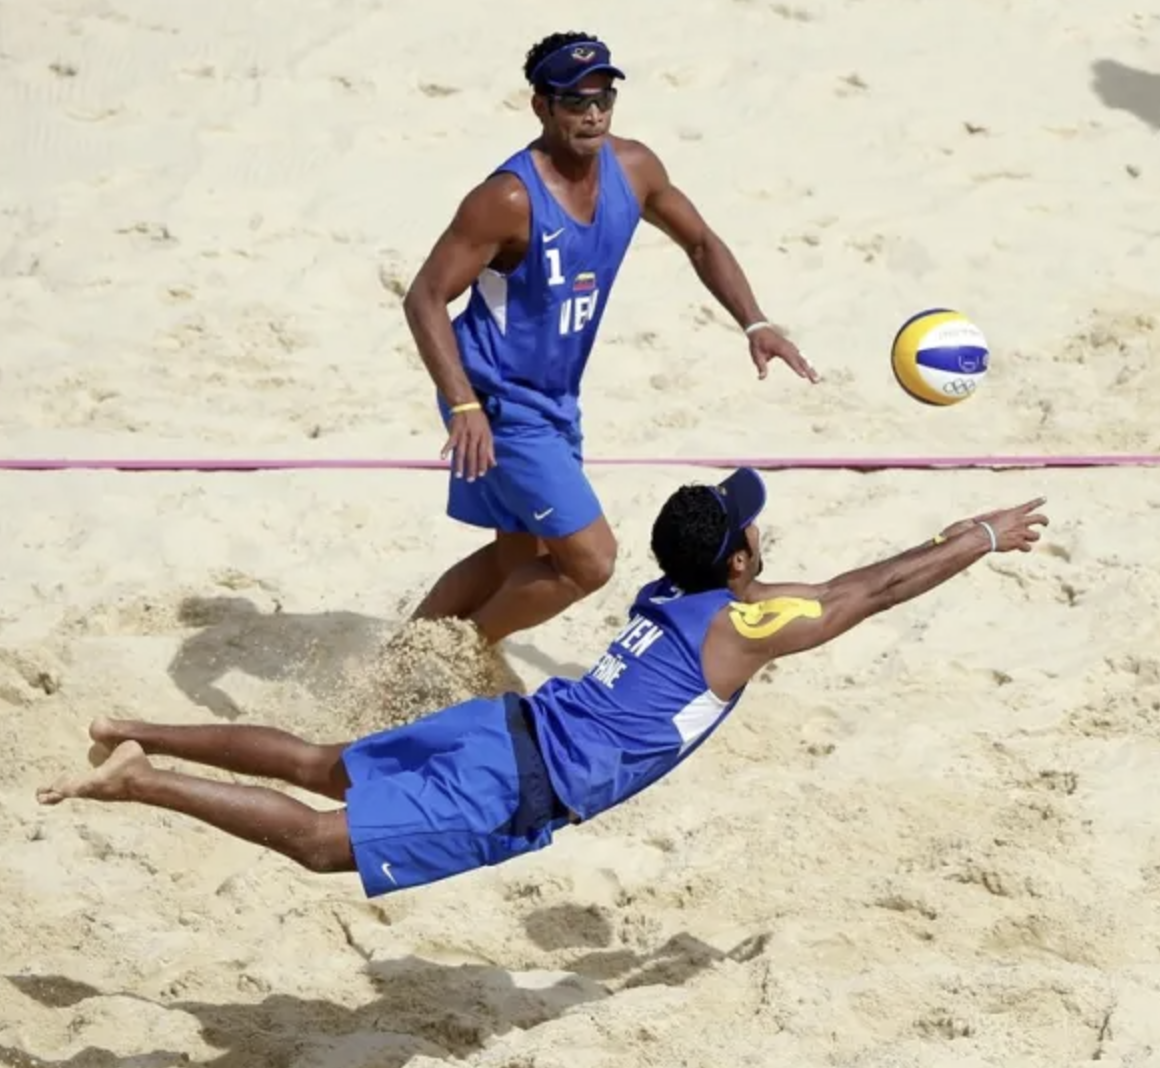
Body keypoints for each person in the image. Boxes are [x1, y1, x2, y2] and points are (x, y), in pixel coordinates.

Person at [37, 469, 1048, 900]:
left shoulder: (680, 592)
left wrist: (950, 536)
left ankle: (136, 727)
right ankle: (136, 778)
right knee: (313, 843)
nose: (757, 532)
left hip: (500, 727)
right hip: (516, 788)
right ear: (736, 565)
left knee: (318, 764)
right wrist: (980, 541)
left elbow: (836, 587)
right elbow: (860, 597)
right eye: (748, 530)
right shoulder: (744, 625)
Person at [401, 30, 820, 647]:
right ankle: (454, 658)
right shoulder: (508, 199)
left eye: (603, 97)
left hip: (553, 398)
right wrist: (463, 405)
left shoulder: (635, 168)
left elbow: (701, 242)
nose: (593, 113)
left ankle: (408, 654)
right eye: (575, 101)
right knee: (590, 560)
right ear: (541, 106)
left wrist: (754, 323)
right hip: (495, 401)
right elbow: (425, 297)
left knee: (516, 559)